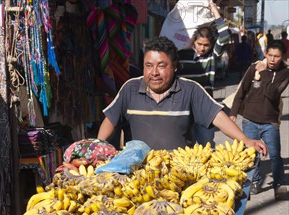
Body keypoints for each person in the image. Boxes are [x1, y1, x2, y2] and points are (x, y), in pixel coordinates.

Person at [97, 36, 267, 156]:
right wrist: (97, 146)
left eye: (161, 66)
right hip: (137, 172)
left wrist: (245, 139)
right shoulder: (130, 88)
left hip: (179, 171)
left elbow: (217, 116)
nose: (154, 72)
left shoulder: (190, 89)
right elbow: (111, 119)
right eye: (148, 66)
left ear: (175, 66)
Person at [230, 40, 289, 200]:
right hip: (250, 120)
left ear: (283, 57)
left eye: (276, 56)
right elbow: (241, 90)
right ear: (265, 54)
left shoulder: (285, 73)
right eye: (269, 55)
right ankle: (253, 183)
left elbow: (273, 94)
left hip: (270, 122)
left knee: (275, 155)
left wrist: (263, 74)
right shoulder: (253, 67)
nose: (272, 59)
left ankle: (278, 184)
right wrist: (233, 113)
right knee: (250, 155)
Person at [177, 1, 229, 146]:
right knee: (185, 146)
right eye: (199, 44)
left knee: (206, 145)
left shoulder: (212, 56)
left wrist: (214, 10)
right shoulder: (181, 55)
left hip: (205, 108)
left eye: (206, 45)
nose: (202, 48)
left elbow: (224, 35)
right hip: (184, 107)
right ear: (193, 41)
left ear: (211, 45)